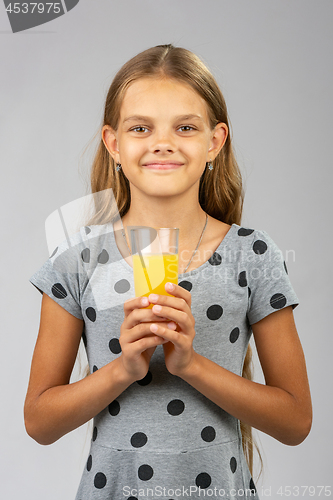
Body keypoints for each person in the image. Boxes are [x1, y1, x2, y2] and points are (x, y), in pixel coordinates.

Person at [24, 44, 312, 500]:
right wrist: (124, 368)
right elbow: (39, 422)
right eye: (141, 127)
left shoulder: (254, 255)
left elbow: (296, 422)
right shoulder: (74, 260)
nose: (163, 142)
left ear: (214, 142)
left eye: (184, 127)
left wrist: (191, 365)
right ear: (114, 144)